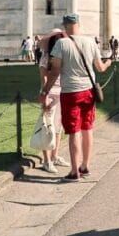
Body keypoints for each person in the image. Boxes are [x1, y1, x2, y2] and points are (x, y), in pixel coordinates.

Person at [41, 13, 111, 182]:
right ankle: (85, 166)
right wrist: (108, 63)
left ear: (64, 26)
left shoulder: (61, 43)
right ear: (78, 24)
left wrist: (44, 92)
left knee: (74, 132)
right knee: (87, 129)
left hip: (70, 92)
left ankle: (74, 172)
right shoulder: (90, 42)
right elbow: (100, 68)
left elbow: (55, 71)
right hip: (88, 91)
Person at [37, 29, 70, 173]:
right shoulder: (45, 57)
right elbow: (44, 78)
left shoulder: (63, 57)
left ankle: (55, 156)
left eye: (61, 39)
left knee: (58, 127)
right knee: (47, 127)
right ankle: (46, 160)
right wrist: (45, 96)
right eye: (57, 39)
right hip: (50, 93)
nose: (60, 41)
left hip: (62, 93)